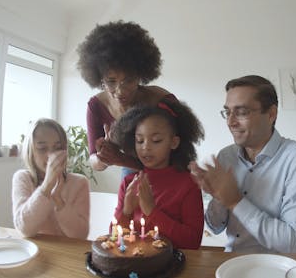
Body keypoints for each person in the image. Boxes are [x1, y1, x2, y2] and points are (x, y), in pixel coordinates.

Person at [189, 75, 296, 253]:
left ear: (271, 114)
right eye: (227, 112)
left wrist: (235, 201)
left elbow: (295, 243)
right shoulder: (227, 156)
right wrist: (219, 198)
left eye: (241, 112)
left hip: (281, 268)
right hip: (233, 262)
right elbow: (215, 227)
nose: (230, 121)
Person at [76, 20, 176, 177]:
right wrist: (105, 156)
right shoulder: (96, 107)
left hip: (169, 173)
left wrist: (120, 158)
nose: (120, 91)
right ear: (100, 79)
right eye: (111, 81)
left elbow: (176, 158)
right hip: (130, 171)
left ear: (140, 76)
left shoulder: (162, 102)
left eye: (128, 80)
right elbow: (94, 161)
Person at [109, 100, 205, 249]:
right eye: (139, 140)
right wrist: (127, 211)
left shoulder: (188, 184)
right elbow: (113, 238)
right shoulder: (129, 183)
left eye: (156, 140)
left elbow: (192, 242)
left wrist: (151, 211)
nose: (145, 147)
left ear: (173, 142)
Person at [12, 118, 90, 240]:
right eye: (42, 148)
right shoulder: (23, 178)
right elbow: (24, 229)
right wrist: (47, 187)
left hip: (68, 253)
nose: (51, 155)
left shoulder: (79, 183)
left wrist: (58, 200)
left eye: (57, 148)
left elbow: (80, 235)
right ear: (31, 151)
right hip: (34, 251)